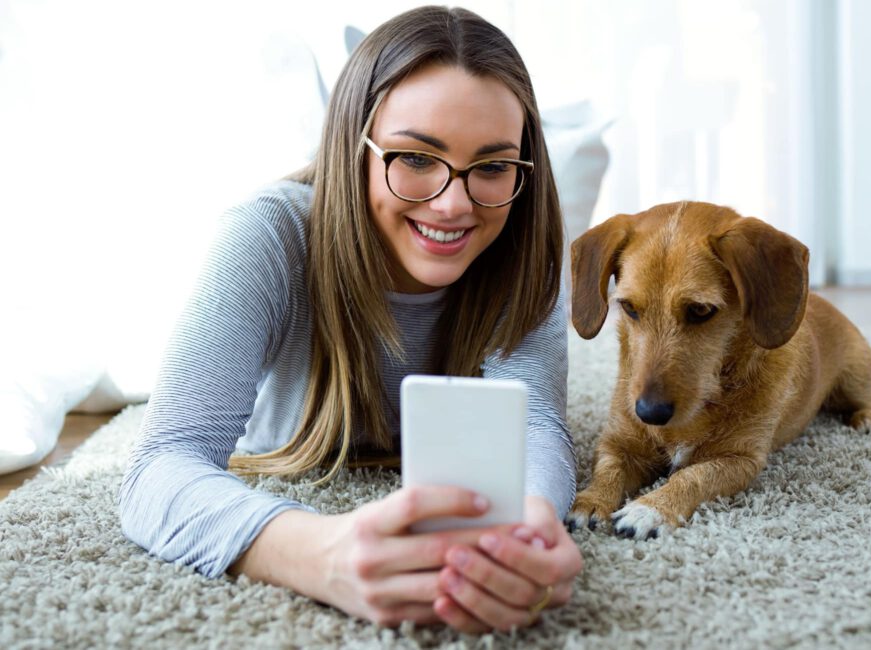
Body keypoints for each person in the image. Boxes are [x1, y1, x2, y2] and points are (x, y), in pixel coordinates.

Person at [117, 5, 583, 634]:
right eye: (415, 158)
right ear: (354, 147)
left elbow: (540, 426)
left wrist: (529, 527)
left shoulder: (525, 246)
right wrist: (322, 555)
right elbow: (160, 465)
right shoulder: (267, 234)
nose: (453, 204)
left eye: (494, 167)